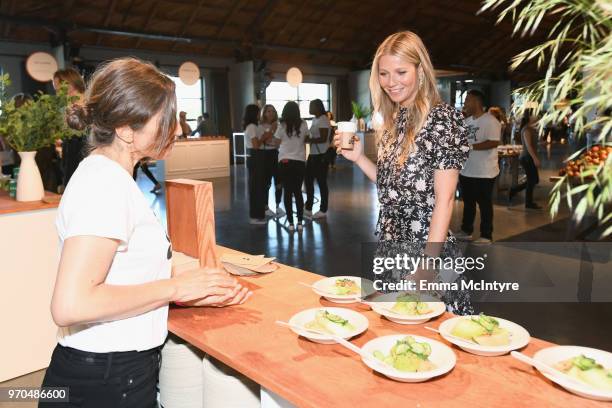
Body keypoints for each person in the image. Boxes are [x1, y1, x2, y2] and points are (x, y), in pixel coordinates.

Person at [40, 57, 250, 408]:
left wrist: (194, 282)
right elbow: (70, 304)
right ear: (126, 129)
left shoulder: (109, 176)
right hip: (105, 380)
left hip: (112, 372)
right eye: (166, 120)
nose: (178, 130)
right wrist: (177, 287)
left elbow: (123, 269)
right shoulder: (104, 184)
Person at [333, 31, 473, 315]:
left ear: (420, 70)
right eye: (384, 73)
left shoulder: (443, 119)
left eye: (400, 71)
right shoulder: (394, 118)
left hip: (426, 248)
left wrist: (427, 265)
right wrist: (359, 158)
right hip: (391, 247)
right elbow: (393, 186)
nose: (391, 82)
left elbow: (444, 201)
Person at [456, 89, 501, 245]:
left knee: (484, 204)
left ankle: (486, 235)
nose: (465, 103)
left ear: (477, 102)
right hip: (467, 170)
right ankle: (466, 230)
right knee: (468, 203)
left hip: (485, 172)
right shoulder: (467, 122)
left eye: (468, 100)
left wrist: (471, 147)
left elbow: (494, 142)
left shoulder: (491, 121)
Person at [274, 101, 310, 232]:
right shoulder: (304, 124)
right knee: (298, 192)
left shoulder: (281, 125)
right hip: (299, 162)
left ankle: (290, 223)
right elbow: (307, 139)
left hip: (284, 161)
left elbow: (276, 143)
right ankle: (300, 222)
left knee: (287, 192)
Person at [53, 68, 86, 187]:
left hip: (83, 152)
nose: (57, 92)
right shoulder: (65, 106)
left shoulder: (88, 104)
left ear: (70, 84)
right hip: (69, 150)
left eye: (57, 88)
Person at [509, 109, 542, 209]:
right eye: (535, 115)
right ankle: (528, 203)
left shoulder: (531, 128)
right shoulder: (527, 129)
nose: (537, 117)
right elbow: (528, 146)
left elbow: (533, 143)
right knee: (532, 180)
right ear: (530, 117)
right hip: (527, 157)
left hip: (529, 157)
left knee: (534, 180)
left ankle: (514, 190)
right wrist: (535, 158)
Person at [304, 99, 331, 220]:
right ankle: (308, 207)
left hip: (321, 155)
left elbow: (323, 138)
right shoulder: (315, 119)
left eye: (311, 106)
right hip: (313, 154)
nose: (309, 108)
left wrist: (307, 140)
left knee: (321, 182)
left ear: (318, 108)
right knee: (308, 180)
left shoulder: (323, 119)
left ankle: (323, 209)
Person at [258, 104, 284, 217]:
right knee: (266, 183)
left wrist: (272, 138)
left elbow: (281, 140)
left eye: (273, 111)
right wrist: (272, 131)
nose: (271, 113)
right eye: (268, 111)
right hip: (265, 155)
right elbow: (264, 140)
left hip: (277, 154)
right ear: (264, 113)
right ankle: (265, 207)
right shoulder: (260, 126)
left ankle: (278, 206)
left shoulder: (279, 125)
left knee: (279, 182)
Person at [244, 104, 267, 224]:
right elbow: (256, 144)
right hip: (255, 155)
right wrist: (264, 137)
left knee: (258, 185)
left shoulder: (254, 126)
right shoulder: (252, 127)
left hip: (257, 156)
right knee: (256, 186)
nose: (260, 115)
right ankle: (255, 216)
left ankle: (258, 214)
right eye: (258, 112)